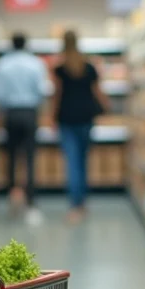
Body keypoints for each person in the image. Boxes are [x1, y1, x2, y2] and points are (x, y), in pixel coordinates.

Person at [51, 30, 111, 223]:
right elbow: (97, 91)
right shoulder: (89, 67)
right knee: (83, 161)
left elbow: (57, 96)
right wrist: (107, 107)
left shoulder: (59, 68)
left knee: (72, 163)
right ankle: (82, 202)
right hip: (86, 118)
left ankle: (75, 205)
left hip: (66, 119)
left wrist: (52, 118)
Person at [0, 32, 50, 225]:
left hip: (11, 113)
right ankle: (31, 201)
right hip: (29, 113)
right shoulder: (36, 63)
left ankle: (12, 197)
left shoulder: (2, 64)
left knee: (11, 157)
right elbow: (42, 91)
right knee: (30, 157)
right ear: (26, 44)